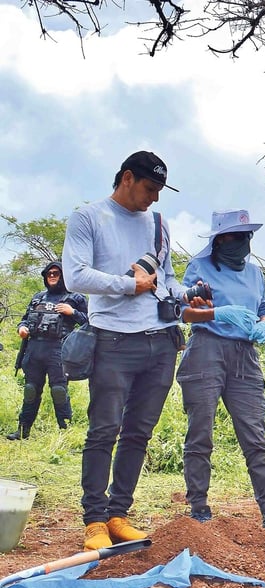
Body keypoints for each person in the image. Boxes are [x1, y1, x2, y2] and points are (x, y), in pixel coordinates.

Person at [62, 151, 201, 550]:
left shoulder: (158, 224)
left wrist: (189, 299)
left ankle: (119, 513)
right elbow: (75, 275)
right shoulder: (88, 218)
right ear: (126, 178)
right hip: (113, 339)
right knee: (104, 430)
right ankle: (94, 520)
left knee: (139, 432)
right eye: (149, 188)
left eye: (159, 191)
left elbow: (168, 280)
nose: (154, 198)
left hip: (160, 341)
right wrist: (128, 286)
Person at [175, 210, 265, 543]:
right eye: (233, 236)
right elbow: (182, 311)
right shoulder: (200, 269)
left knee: (255, 436)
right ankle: (198, 508)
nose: (241, 243)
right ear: (219, 239)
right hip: (206, 349)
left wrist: (264, 326)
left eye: (246, 237)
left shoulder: (255, 273)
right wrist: (217, 312)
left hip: (245, 355)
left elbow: (263, 308)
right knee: (200, 433)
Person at [7, 261, 88, 440]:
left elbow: (89, 322)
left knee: (59, 391)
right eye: (49, 273)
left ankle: (65, 434)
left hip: (59, 350)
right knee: (30, 390)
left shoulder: (75, 298)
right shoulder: (38, 297)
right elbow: (25, 319)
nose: (52, 276)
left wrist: (72, 312)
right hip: (34, 349)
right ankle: (22, 430)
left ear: (63, 276)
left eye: (56, 273)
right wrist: (22, 328)